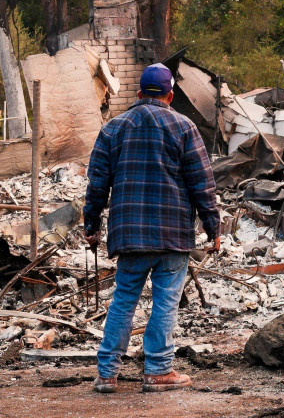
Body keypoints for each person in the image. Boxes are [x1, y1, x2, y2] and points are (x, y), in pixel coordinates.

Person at [83, 63, 220, 394]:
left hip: (129, 234)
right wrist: (213, 226)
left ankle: (106, 375)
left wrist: (91, 224)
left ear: (140, 93)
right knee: (165, 302)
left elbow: (97, 183)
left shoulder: (113, 129)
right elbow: (203, 184)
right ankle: (158, 370)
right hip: (172, 235)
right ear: (171, 96)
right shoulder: (185, 128)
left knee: (123, 301)